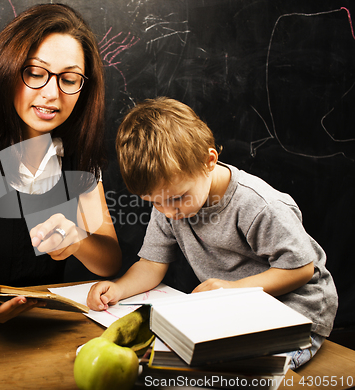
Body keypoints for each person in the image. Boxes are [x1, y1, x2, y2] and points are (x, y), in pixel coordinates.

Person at [87, 97, 338, 369]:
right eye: (154, 202)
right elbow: (151, 264)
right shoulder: (169, 199)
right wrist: (119, 288)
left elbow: (302, 269)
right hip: (237, 311)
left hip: (296, 314)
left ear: (209, 161)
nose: (168, 212)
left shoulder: (258, 206)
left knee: (246, 372)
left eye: (178, 198)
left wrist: (233, 290)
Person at [0, 4, 122, 323]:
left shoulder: (78, 158)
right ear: (7, 70)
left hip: (45, 327)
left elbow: (109, 261)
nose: (52, 94)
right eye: (35, 73)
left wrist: (78, 240)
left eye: (69, 79)